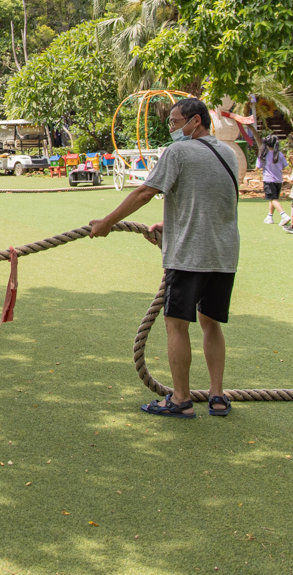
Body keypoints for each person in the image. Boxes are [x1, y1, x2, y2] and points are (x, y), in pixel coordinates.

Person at [87, 98, 241, 419]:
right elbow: (209, 202)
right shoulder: (227, 153)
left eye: (174, 122)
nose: (171, 129)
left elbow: (145, 192)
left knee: (176, 325)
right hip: (223, 254)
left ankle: (181, 399)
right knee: (210, 324)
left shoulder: (177, 152)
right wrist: (168, 224)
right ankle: (217, 396)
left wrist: (107, 223)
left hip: (188, 255)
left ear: (195, 121)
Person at [256, 134, 291, 226]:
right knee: (273, 199)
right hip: (278, 180)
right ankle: (269, 216)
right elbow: (285, 166)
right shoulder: (280, 154)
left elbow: (257, 166)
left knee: (272, 199)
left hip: (268, 180)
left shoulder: (263, 154)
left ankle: (283, 215)